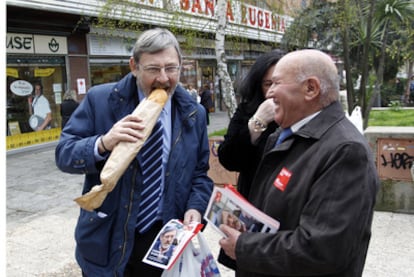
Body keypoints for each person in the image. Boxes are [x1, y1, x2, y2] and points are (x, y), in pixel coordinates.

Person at [55, 28, 213, 277]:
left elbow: (200, 174)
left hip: (164, 239)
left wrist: (195, 206)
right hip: (108, 236)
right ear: (134, 66)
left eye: (171, 68)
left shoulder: (193, 112)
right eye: (153, 69)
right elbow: (64, 154)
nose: (163, 78)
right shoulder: (101, 100)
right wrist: (103, 143)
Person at [218, 49, 380, 277]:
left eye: (276, 83)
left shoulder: (346, 151)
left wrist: (244, 246)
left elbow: (322, 250)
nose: (269, 93)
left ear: (311, 89)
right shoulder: (288, 135)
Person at [218, 50, 284, 199]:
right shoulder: (247, 110)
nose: (273, 91)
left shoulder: (301, 115)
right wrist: (257, 122)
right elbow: (228, 159)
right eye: (268, 84)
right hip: (252, 198)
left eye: (279, 83)